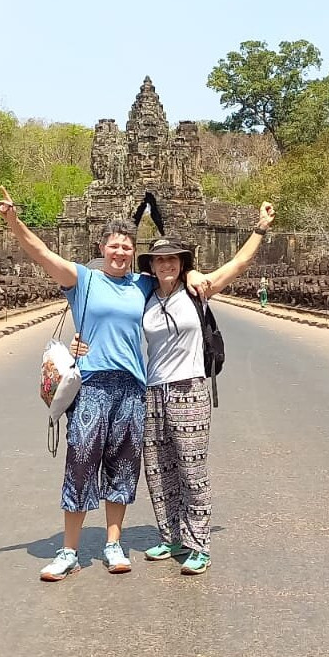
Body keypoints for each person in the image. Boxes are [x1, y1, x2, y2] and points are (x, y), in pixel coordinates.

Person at [0, 185, 206, 582]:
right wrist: (13, 221)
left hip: (131, 388)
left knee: (123, 466)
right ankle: (68, 549)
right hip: (92, 385)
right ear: (101, 248)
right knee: (79, 463)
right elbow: (43, 255)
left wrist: (191, 267)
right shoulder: (83, 280)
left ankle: (113, 543)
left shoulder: (141, 285)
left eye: (127, 247)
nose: (120, 253)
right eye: (114, 246)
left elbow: (173, 272)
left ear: (133, 253)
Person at [85, 202, 275, 575]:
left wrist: (260, 230)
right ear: (151, 267)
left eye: (174, 260)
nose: (167, 265)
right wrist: (80, 342)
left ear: (182, 263)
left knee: (191, 467)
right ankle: (171, 534)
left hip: (189, 388)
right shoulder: (144, 296)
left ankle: (197, 542)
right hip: (152, 390)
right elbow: (103, 298)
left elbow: (237, 265)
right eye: (160, 260)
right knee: (158, 469)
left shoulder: (198, 290)